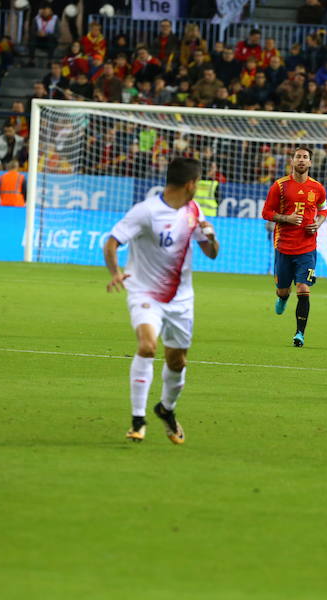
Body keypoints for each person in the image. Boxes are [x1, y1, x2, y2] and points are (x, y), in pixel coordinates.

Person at [103, 157, 220, 444]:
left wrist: (210, 236)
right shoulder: (145, 212)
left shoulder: (193, 210)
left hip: (181, 300)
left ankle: (165, 409)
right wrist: (116, 271)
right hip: (145, 292)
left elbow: (212, 253)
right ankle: (138, 420)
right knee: (147, 345)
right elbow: (111, 241)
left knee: (177, 361)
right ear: (191, 184)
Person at [261, 146, 327, 348]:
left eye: (305, 157)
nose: (301, 160)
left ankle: (300, 333)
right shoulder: (279, 186)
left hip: (307, 247)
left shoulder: (317, 188)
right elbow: (266, 212)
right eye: (298, 157)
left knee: (303, 288)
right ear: (292, 161)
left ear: (310, 163)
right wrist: (286, 218)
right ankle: (282, 298)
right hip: (284, 246)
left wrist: (318, 223)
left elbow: (324, 210)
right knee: (283, 290)